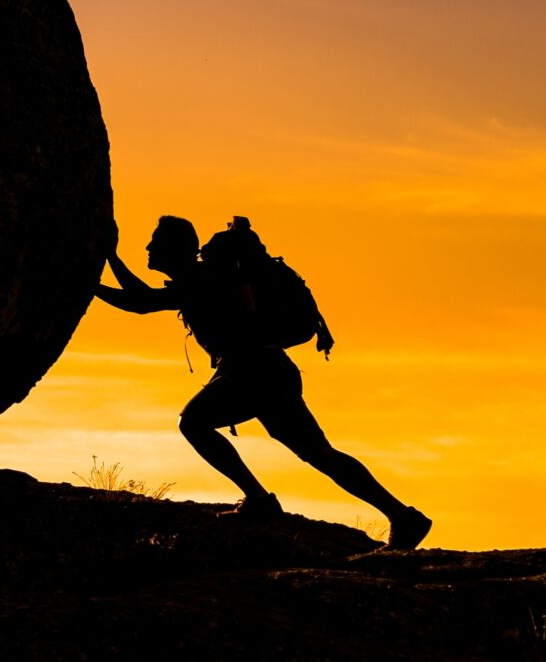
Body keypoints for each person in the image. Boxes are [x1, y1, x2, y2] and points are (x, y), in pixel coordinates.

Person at [95, 213, 432, 549]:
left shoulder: (203, 279)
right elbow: (143, 297)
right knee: (318, 453)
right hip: (270, 370)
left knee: (194, 423)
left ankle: (258, 499)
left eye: (156, 242)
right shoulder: (198, 279)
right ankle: (402, 516)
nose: (148, 247)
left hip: (252, 372)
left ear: (176, 248)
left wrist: (91, 278)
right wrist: (109, 259)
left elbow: (140, 302)